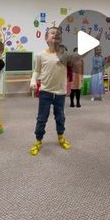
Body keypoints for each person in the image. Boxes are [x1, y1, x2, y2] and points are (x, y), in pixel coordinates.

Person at [29, 27, 71, 155]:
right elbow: (37, 70)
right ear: (46, 38)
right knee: (42, 117)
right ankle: (38, 140)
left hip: (60, 93)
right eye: (53, 33)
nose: (56, 35)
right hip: (45, 91)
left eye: (58, 34)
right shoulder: (40, 55)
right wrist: (33, 80)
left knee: (60, 117)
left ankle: (61, 137)